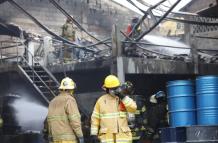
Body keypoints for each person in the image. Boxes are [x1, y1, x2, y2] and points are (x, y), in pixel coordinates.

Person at [90, 75, 137, 143]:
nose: (114, 91)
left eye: (116, 88)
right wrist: (94, 134)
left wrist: (123, 97)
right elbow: (95, 119)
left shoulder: (124, 99)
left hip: (123, 139)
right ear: (107, 89)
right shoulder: (101, 101)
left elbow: (133, 108)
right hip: (107, 139)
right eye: (112, 89)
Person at [45, 77, 84, 143]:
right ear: (71, 90)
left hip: (55, 139)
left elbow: (49, 121)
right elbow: (75, 119)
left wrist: (50, 137)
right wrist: (80, 136)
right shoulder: (69, 100)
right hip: (68, 140)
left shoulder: (52, 101)